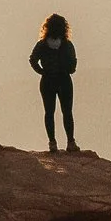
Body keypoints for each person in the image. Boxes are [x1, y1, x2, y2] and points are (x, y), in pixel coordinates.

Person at [30, 12, 78, 152]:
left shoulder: (42, 45)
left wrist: (42, 71)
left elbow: (32, 60)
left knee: (49, 112)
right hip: (64, 81)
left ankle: (52, 143)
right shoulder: (67, 45)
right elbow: (73, 64)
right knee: (67, 112)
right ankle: (71, 142)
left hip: (47, 81)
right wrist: (68, 69)